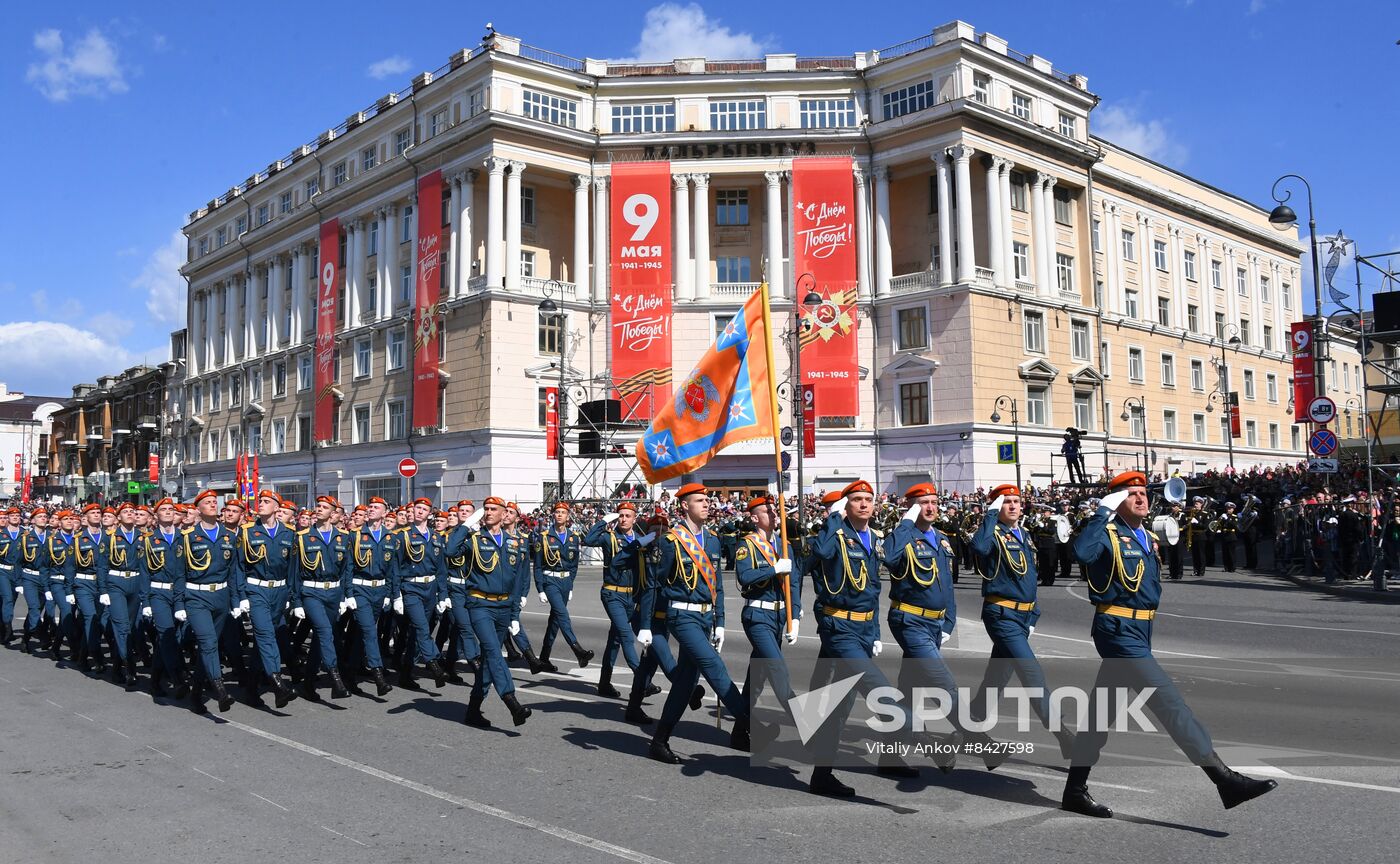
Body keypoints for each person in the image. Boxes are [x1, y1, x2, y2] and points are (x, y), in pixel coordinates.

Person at [1063, 471, 1278, 818]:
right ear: (1116, 500)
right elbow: (1081, 553)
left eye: (1143, 493)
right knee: (1169, 703)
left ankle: (1074, 791)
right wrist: (1102, 512)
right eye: (1132, 493)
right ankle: (1224, 779)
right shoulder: (1107, 533)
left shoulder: (1146, 536)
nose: (1141, 498)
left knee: (1100, 714)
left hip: (1140, 631)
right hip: (1118, 631)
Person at [642, 482, 749, 764]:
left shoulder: (712, 540)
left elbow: (718, 585)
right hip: (681, 616)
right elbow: (653, 584)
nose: (706, 504)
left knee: (685, 683)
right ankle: (749, 721)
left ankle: (659, 741)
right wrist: (646, 625)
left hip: (704, 617)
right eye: (699, 500)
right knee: (713, 665)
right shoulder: (670, 541)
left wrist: (720, 621)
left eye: (707, 500)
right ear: (684, 505)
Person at [968, 484, 1072, 756]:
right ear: (996, 507)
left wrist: (1033, 614)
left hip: (1022, 615)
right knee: (1030, 670)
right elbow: (978, 548)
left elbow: (1028, 578)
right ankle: (1064, 735)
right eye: (1006, 502)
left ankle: (968, 724)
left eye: (1016, 501)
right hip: (1002, 614)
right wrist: (990, 515)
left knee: (998, 675)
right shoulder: (992, 534)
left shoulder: (1023, 534)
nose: (1013, 506)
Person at [460, 497, 532, 728]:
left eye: (493, 509)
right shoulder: (474, 539)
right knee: (493, 652)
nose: (488, 512)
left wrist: (514, 614)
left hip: (503, 607)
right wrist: (465, 526)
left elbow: (517, 580)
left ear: (504, 514)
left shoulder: (513, 543)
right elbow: (450, 550)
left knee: (489, 661)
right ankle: (512, 702)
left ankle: (472, 710)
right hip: (480, 604)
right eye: (486, 509)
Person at [581, 501, 653, 715]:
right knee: (626, 636)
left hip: (632, 595)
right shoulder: (609, 537)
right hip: (612, 593)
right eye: (620, 515)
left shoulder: (640, 539)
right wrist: (604, 521)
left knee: (614, 640)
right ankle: (642, 680)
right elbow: (588, 540)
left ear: (634, 518)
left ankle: (604, 682)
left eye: (627, 516)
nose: (623, 519)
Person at [173, 490, 241, 713]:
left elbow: (233, 573)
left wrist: (235, 601)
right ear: (198, 509)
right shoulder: (187, 537)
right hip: (196, 597)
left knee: (207, 647)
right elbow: (179, 573)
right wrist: (179, 604)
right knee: (209, 642)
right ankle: (220, 690)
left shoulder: (229, 536)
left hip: (221, 597)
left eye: (214, 501)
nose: (213, 504)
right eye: (207, 502)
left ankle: (195, 693)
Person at [734, 494, 800, 710]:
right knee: (777, 668)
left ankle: (742, 725)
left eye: (775, 511)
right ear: (754, 518)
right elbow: (744, 576)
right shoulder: (748, 545)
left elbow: (793, 584)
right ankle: (803, 721)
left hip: (779, 616)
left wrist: (795, 617)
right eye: (767, 512)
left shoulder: (784, 545)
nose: (774, 515)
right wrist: (774, 569)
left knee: (758, 674)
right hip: (758, 616)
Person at [237, 490, 299, 707]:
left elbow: (292, 568)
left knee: (262, 642)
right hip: (256, 590)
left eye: (265, 501)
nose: (260, 504)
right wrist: (242, 596)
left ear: (276, 507)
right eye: (260, 501)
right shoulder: (247, 531)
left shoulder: (289, 533)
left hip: (279, 592)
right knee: (265, 635)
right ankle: (277, 683)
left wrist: (291, 595)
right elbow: (238, 567)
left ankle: (251, 689)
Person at [391, 497, 451, 689]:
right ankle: (434, 665)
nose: (419, 511)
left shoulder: (436, 537)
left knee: (416, 634)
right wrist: (396, 595)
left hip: (430, 589)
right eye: (417, 508)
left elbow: (441, 570)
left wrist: (443, 596)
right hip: (411, 588)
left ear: (429, 514)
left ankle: (405, 674)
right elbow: (395, 568)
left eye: (424, 509)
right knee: (422, 628)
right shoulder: (403, 536)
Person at [532, 502, 593, 672]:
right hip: (550, 581)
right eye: (557, 512)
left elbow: (574, 565)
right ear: (553, 515)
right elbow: (538, 566)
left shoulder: (573, 537)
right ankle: (578, 650)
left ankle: (544, 657)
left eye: (563, 512)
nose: (559, 515)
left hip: (565, 582)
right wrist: (540, 589)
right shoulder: (544, 537)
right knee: (563, 615)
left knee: (555, 621)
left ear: (567, 516)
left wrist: (570, 585)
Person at [98, 503, 145, 690]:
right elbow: (102, 565)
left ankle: (117, 667)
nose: (130, 514)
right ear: (118, 517)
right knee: (122, 627)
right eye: (125, 512)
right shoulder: (110, 537)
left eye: (132, 512)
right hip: (116, 583)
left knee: (129, 628)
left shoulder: (142, 536)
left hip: (136, 582)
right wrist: (103, 590)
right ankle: (130, 668)